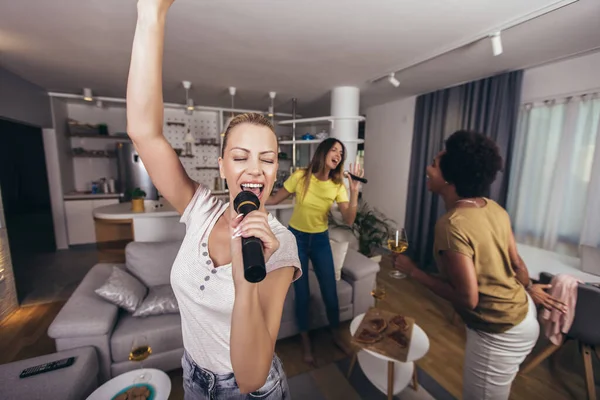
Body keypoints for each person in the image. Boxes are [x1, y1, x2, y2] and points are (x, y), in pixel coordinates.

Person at [126, 1, 302, 398]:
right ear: (222, 166)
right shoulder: (200, 208)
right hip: (192, 376)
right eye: (240, 157)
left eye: (268, 159)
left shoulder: (281, 246)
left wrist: (245, 277)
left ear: (276, 171)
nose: (255, 169)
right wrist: (151, 14)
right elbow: (143, 133)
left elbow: (252, 376)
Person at [393, 130, 566, 400]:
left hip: (499, 333)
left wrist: (413, 271)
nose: (428, 168)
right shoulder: (493, 208)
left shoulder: (452, 225)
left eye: (435, 165)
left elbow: (468, 299)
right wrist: (527, 289)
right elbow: (518, 268)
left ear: (449, 179)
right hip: (523, 315)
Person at [267, 138, 364, 365]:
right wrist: (251, 197)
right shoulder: (301, 176)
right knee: (302, 295)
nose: (338, 155)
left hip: (320, 240)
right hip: (296, 240)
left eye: (341, 152)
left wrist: (355, 190)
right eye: (334, 149)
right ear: (323, 152)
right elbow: (274, 199)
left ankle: (335, 335)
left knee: (330, 292)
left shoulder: (338, 185)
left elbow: (349, 220)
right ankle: (306, 341)